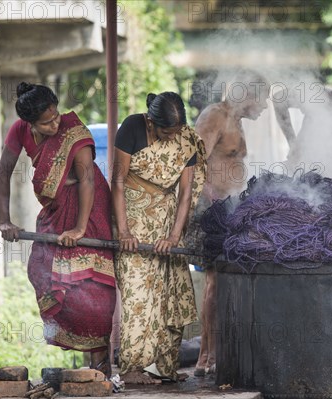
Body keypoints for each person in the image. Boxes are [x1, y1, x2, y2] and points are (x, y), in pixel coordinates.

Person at [0, 82, 116, 376]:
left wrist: (78, 229)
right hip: (55, 210)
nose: (55, 124)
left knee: (93, 288)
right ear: (29, 123)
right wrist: (5, 220)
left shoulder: (74, 130)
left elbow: (87, 180)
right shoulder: (19, 131)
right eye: (46, 122)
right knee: (42, 270)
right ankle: (85, 370)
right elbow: (3, 173)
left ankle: (100, 369)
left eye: (56, 116)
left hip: (90, 208)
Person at [111, 92, 206, 384]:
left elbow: (186, 192)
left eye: (176, 132)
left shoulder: (186, 138)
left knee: (170, 293)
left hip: (167, 222)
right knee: (138, 294)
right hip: (133, 218)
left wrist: (175, 236)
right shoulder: (131, 128)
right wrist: (124, 231)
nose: (171, 138)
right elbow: (117, 180)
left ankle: (165, 366)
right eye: (166, 132)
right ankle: (131, 369)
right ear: (150, 122)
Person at [186, 70, 270, 377]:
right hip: (213, 208)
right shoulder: (215, 116)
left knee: (228, 279)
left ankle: (217, 353)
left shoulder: (237, 122)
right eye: (262, 99)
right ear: (246, 94)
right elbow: (194, 163)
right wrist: (214, 201)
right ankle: (206, 356)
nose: (263, 107)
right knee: (215, 281)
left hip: (233, 207)